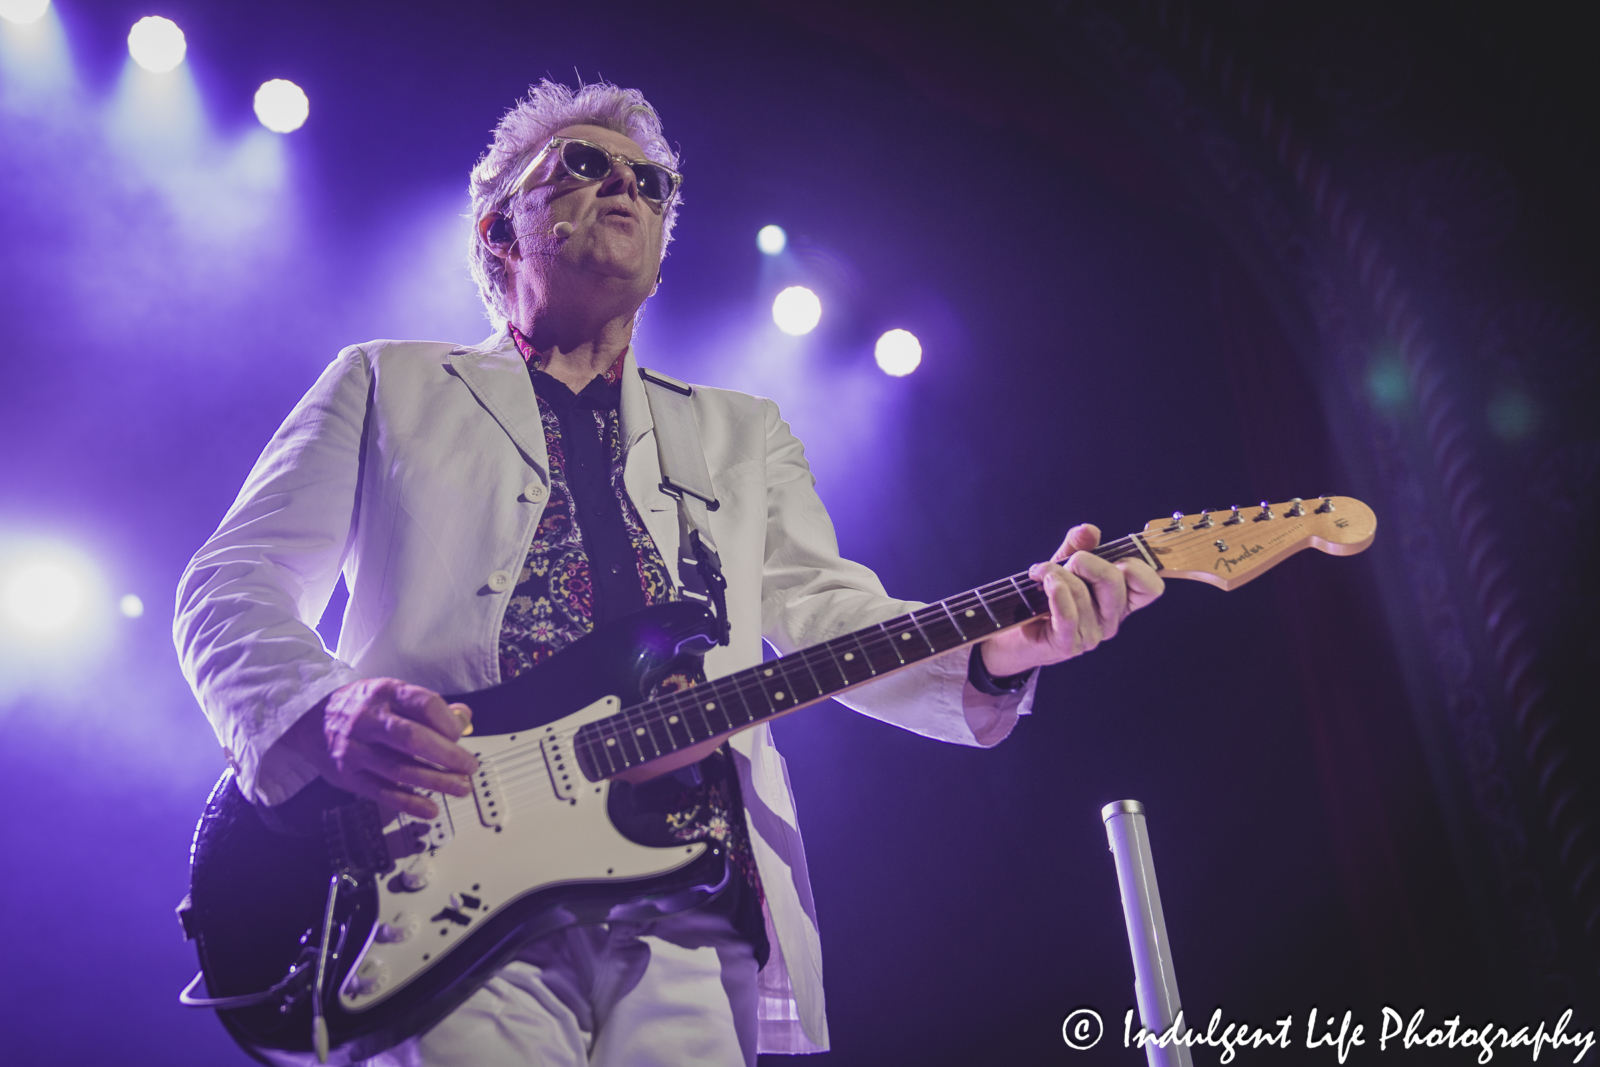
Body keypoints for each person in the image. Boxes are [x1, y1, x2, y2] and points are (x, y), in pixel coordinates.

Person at [174, 80, 1162, 1067]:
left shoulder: (740, 431)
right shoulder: (386, 381)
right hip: (445, 875)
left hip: (691, 884)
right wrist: (320, 709)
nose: (623, 187)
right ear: (497, 227)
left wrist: (990, 651)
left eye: (649, 181)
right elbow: (231, 580)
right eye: (581, 164)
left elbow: (829, 613)